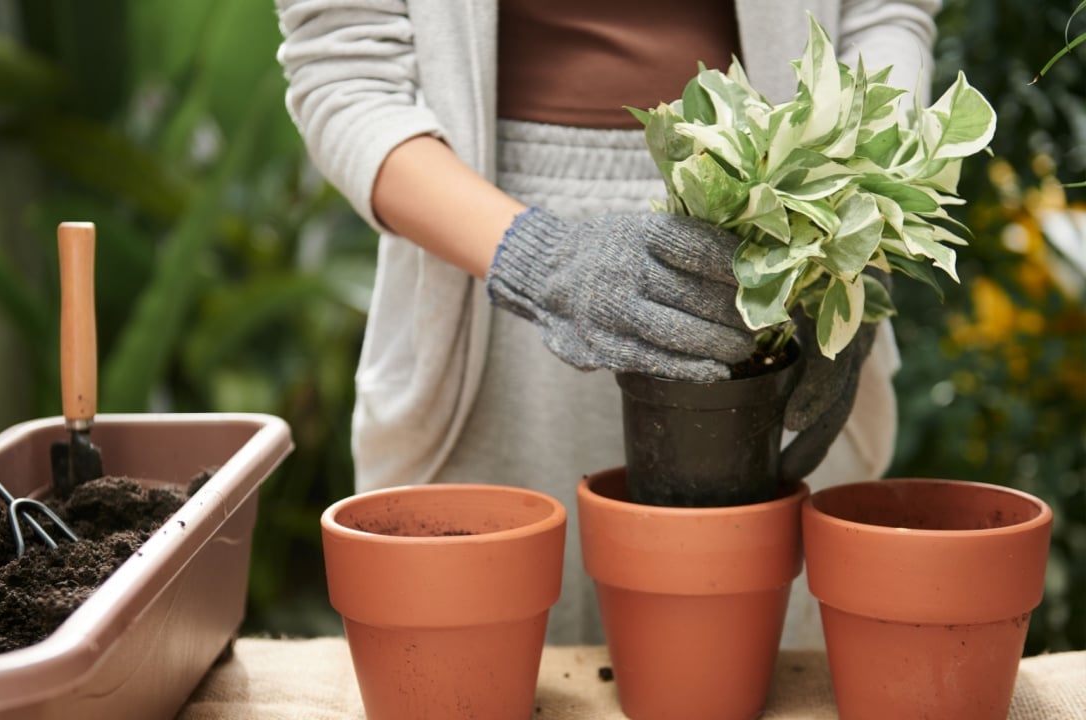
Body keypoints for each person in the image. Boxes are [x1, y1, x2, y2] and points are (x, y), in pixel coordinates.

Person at [276, 0, 940, 647]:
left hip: (779, 253)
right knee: (484, 676)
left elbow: (884, 14)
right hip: (480, 276)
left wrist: (857, 241)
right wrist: (542, 261)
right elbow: (347, 73)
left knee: (752, 681)